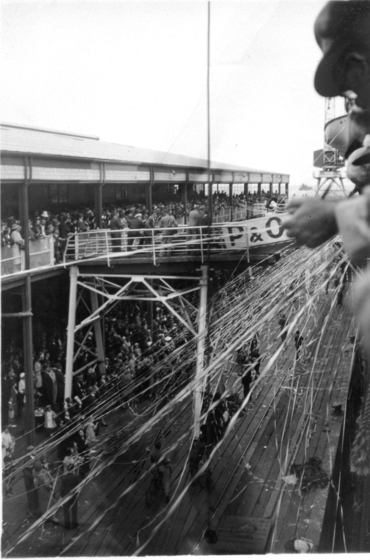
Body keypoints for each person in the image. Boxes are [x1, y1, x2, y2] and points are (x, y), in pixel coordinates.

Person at [60, 463, 81, 529]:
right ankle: (74, 523)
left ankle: (67, 524)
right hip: (74, 495)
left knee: (66, 510)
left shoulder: (64, 478)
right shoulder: (76, 477)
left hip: (66, 495)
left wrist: (61, 496)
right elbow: (79, 485)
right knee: (74, 509)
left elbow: (62, 487)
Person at [22, 445, 41, 519]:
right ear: (30, 452)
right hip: (30, 482)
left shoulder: (36, 457)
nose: (36, 451)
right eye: (34, 450)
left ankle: (36, 507)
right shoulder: (26, 461)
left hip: (36, 479)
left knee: (36, 494)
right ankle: (31, 510)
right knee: (31, 495)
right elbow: (24, 471)